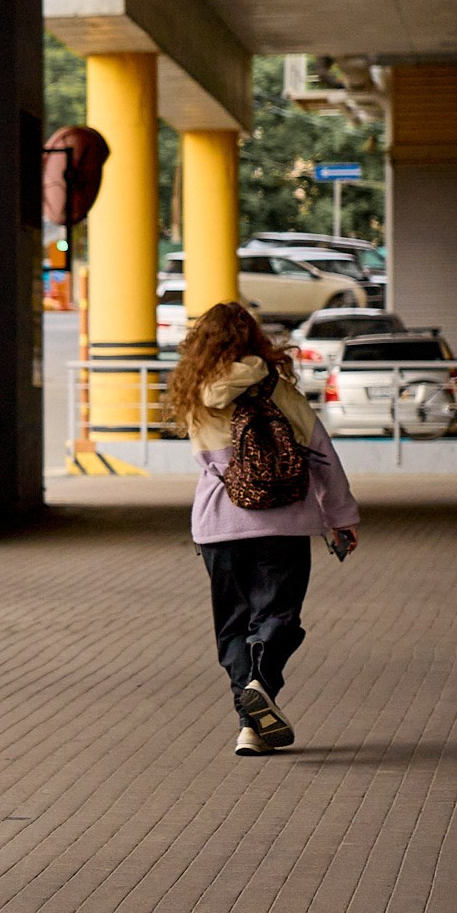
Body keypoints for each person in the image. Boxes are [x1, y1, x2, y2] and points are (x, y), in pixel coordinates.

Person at [165, 300, 360, 756]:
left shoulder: (196, 391)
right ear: (254, 338)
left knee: (233, 627)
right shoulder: (277, 387)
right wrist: (341, 517)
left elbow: (205, 459)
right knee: (279, 619)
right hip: (285, 522)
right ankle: (258, 692)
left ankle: (249, 724)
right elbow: (322, 455)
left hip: (219, 524)